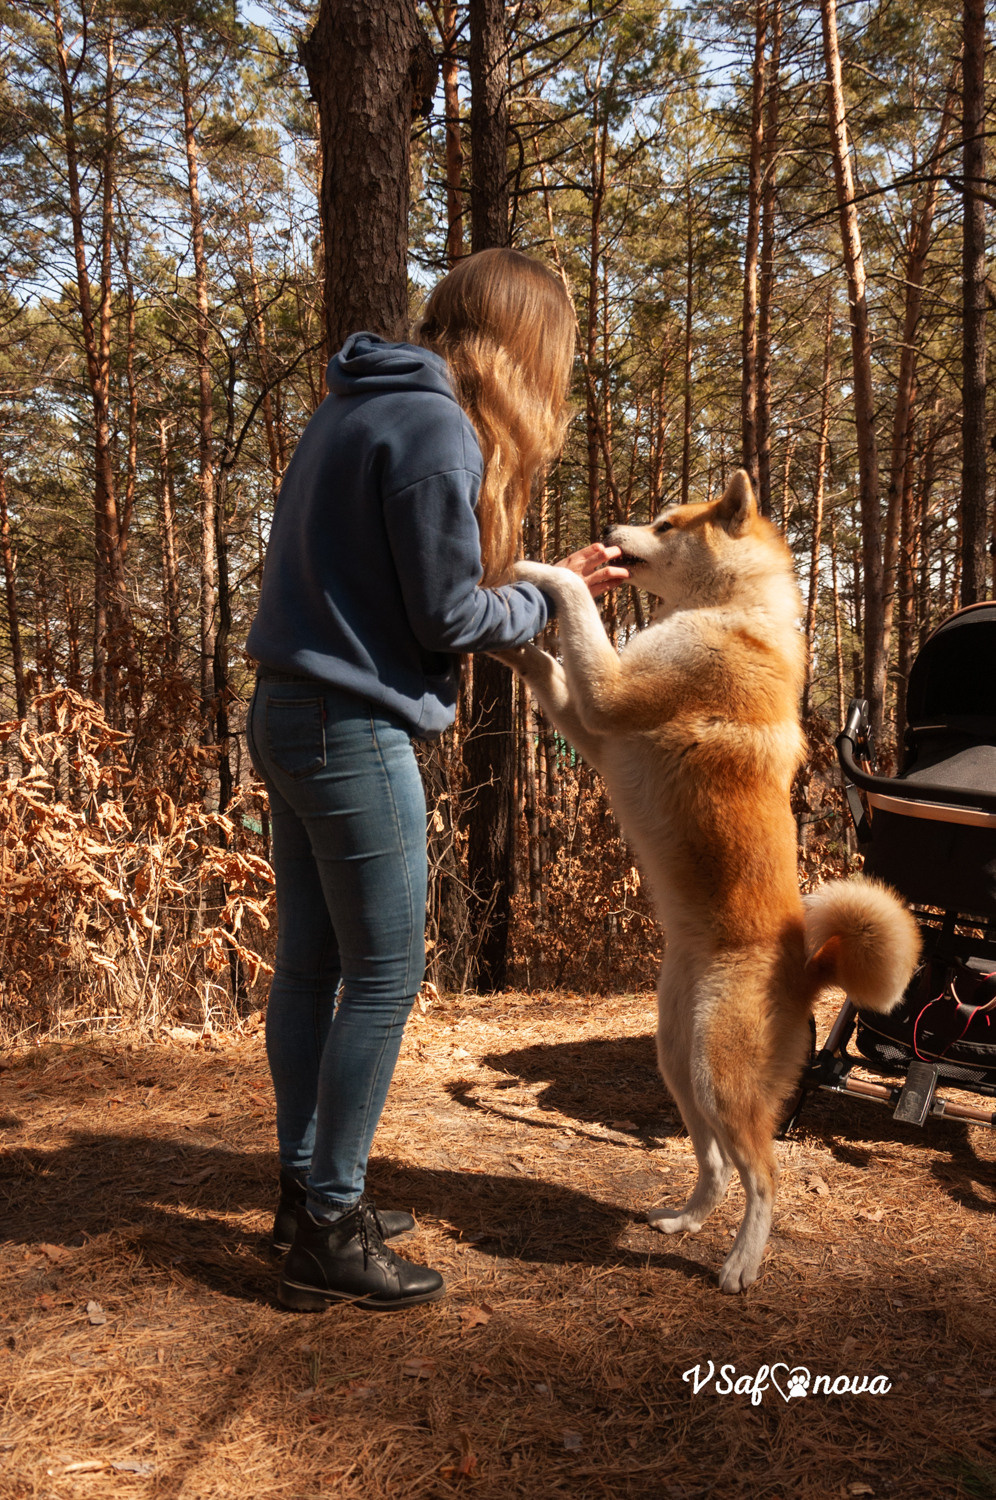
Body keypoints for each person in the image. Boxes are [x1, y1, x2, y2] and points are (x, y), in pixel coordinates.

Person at [245, 247, 627, 1313]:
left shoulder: (360, 405)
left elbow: (408, 580)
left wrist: (545, 582)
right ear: (519, 347)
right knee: (384, 974)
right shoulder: (436, 427)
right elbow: (447, 617)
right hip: (351, 729)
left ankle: (303, 1192)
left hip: (287, 709)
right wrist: (549, 607)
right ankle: (329, 1221)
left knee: (311, 969)